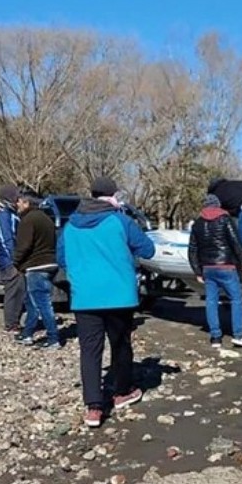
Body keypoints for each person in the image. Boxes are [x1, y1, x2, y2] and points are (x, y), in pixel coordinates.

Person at [58, 177, 155, 428]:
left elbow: (61, 258)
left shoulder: (70, 225)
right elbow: (148, 249)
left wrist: (79, 272)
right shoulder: (121, 220)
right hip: (119, 294)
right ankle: (122, 392)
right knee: (120, 345)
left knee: (90, 351)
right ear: (114, 195)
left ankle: (93, 407)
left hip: (84, 296)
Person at [188, 194, 242, 349]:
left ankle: (215, 337)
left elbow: (192, 249)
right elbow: (235, 241)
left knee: (211, 301)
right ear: (218, 205)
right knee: (236, 299)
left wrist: (197, 271)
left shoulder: (197, 224)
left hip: (207, 268)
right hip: (226, 265)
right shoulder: (225, 219)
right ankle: (239, 334)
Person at [14, 190, 60, 349]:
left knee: (42, 303)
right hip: (50, 263)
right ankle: (27, 333)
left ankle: (53, 337)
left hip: (36, 265)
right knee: (32, 302)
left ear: (27, 203)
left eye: (19, 201)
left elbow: (24, 245)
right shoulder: (46, 219)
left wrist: (15, 262)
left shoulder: (28, 220)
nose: (17, 204)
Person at [0, 185, 25, 332]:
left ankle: (15, 321)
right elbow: (6, 240)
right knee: (13, 291)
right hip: (8, 261)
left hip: (14, 260)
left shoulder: (12, 215)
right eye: (16, 197)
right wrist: (14, 260)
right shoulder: (3, 216)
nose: (18, 200)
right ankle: (11, 323)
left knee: (20, 290)